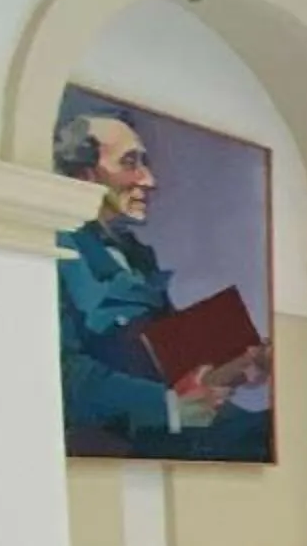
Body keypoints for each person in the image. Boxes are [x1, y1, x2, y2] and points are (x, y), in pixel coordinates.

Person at [55, 113, 270, 458]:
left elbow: (173, 366)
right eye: (130, 163)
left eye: (145, 163)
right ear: (85, 174)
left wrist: (240, 365)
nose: (149, 180)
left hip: (175, 427)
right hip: (123, 435)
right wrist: (167, 406)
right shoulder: (60, 248)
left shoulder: (138, 255)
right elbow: (63, 371)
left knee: (267, 431)